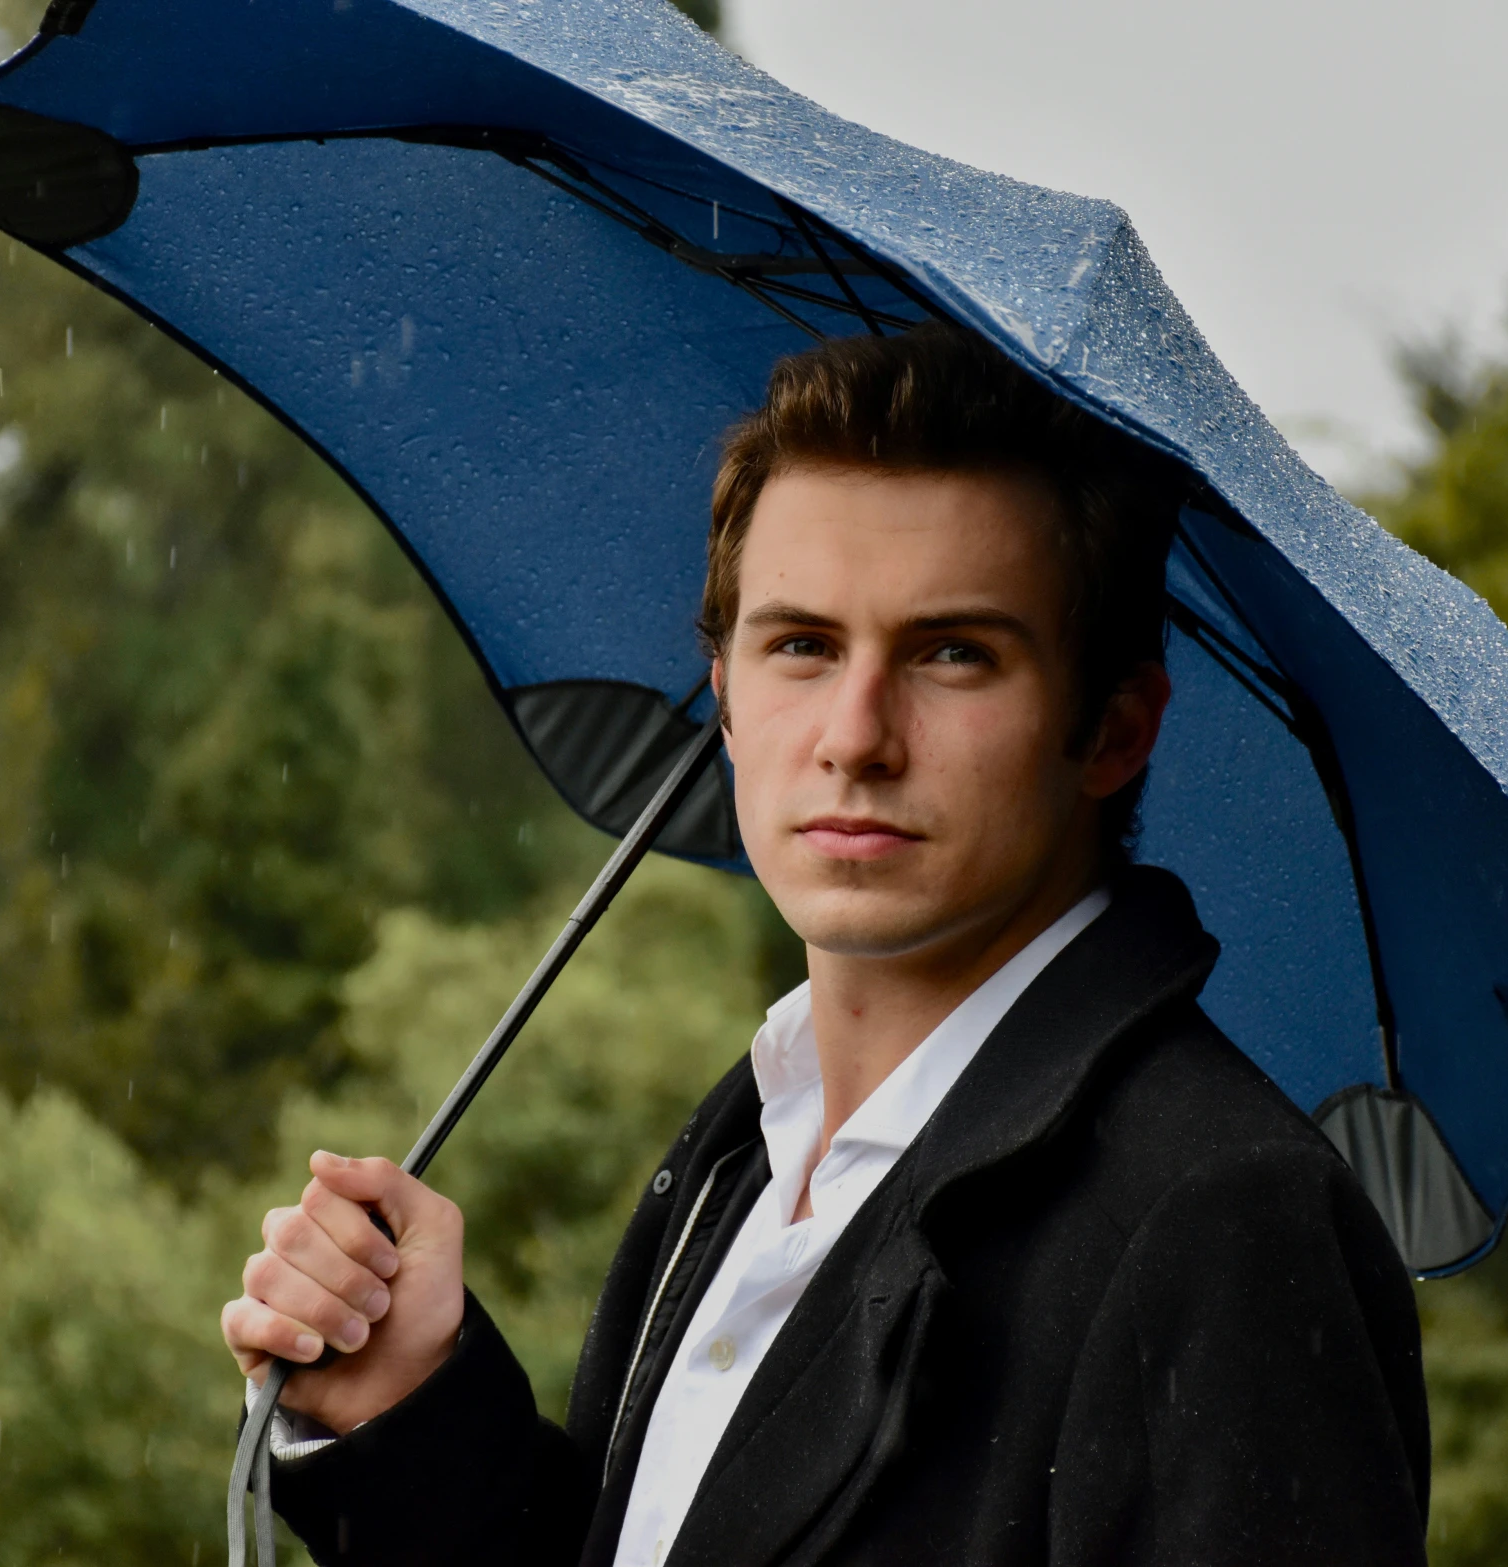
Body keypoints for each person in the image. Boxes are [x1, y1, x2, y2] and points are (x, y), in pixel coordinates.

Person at [220, 324, 1430, 1566]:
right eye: (800, 644)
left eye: (953, 652)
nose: (854, 735)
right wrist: (414, 1407)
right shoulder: (736, 1154)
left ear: (1114, 728)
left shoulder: (1222, 1221)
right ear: (727, 697)